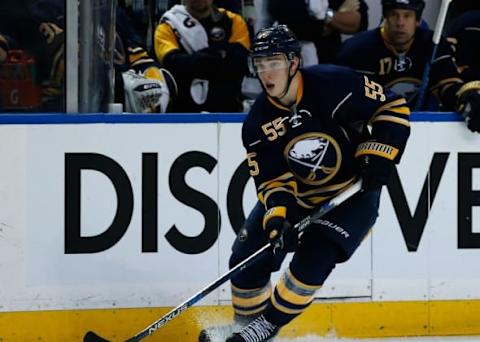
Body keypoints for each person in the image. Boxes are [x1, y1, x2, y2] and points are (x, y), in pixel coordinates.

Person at [199, 24, 411, 342]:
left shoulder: (334, 83)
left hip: (350, 193)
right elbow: (272, 181)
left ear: (294, 62)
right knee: (245, 261)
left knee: (314, 258)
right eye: (260, 65)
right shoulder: (257, 123)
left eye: (275, 63)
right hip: (300, 196)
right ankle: (246, 328)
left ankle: (265, 328)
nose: (267, 73)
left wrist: (379, 152)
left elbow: (392, 106)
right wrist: (279, 220)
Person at [336, 0, 480, 133]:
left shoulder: (433, 44)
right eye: (394, 15)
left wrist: (465, 98)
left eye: (407, 16)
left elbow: (447, 83)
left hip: (424, 130)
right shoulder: (358, 49)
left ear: (418, 20)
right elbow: (350, 98)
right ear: (385, 17)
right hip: (375, 129)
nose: (400, 22)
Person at [154, 0, 250, 112]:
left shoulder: (233, 21)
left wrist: (195, 61)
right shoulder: (168, 26)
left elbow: (239, 63)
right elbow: (173, 64)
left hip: (228, 109)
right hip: (182, 113)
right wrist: (221, 54)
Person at [264, 0, 369, 64]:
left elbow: (360, 22)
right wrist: (334, 18)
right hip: (290, 65)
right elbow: (300, 28)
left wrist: (326, 14)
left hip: (330, 64)